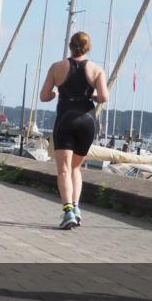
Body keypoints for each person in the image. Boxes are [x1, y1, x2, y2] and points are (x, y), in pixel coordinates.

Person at [39, 31, 109, 229]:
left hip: (66, 118)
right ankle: (77, 207)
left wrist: (54, 93)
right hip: (87, 119)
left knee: (63, 169)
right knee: (76, 168)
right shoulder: (96, 69)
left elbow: (44, 96)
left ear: (70, 45)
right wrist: (92, 97)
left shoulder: (57, 67)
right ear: (88, 47)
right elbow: (104, 97)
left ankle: (68, 211)